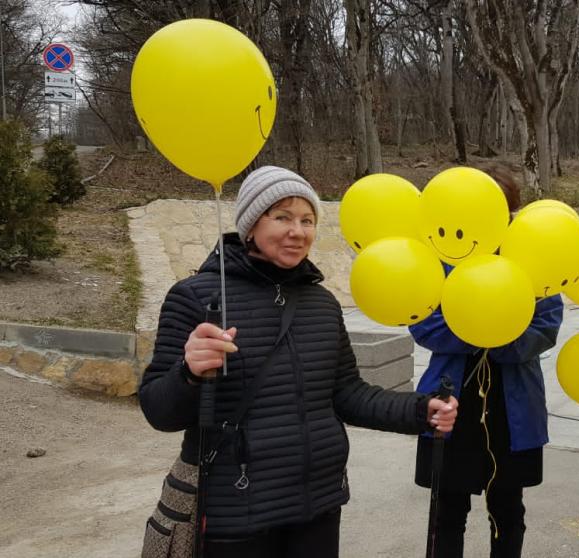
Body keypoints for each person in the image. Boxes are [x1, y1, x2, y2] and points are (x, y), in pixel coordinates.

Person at [140, 166, 458, 558]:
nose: (298, 231)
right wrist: (187, 373)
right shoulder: (195, 296)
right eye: (283, 217)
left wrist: (420, 410)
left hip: (317, 505)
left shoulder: (321, 303)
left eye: (307, 220)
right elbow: (159, 411)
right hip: (234, 513)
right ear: (251, 225)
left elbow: (348, 394)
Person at [410, 166, 564, 558]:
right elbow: (423, 322)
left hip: (512, 410)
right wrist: (475, 330)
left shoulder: (531, 259)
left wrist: (499, 340)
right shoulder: (441, 256)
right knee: (446, 513)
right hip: (449, 403)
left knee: (507, 512)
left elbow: (545, 326)